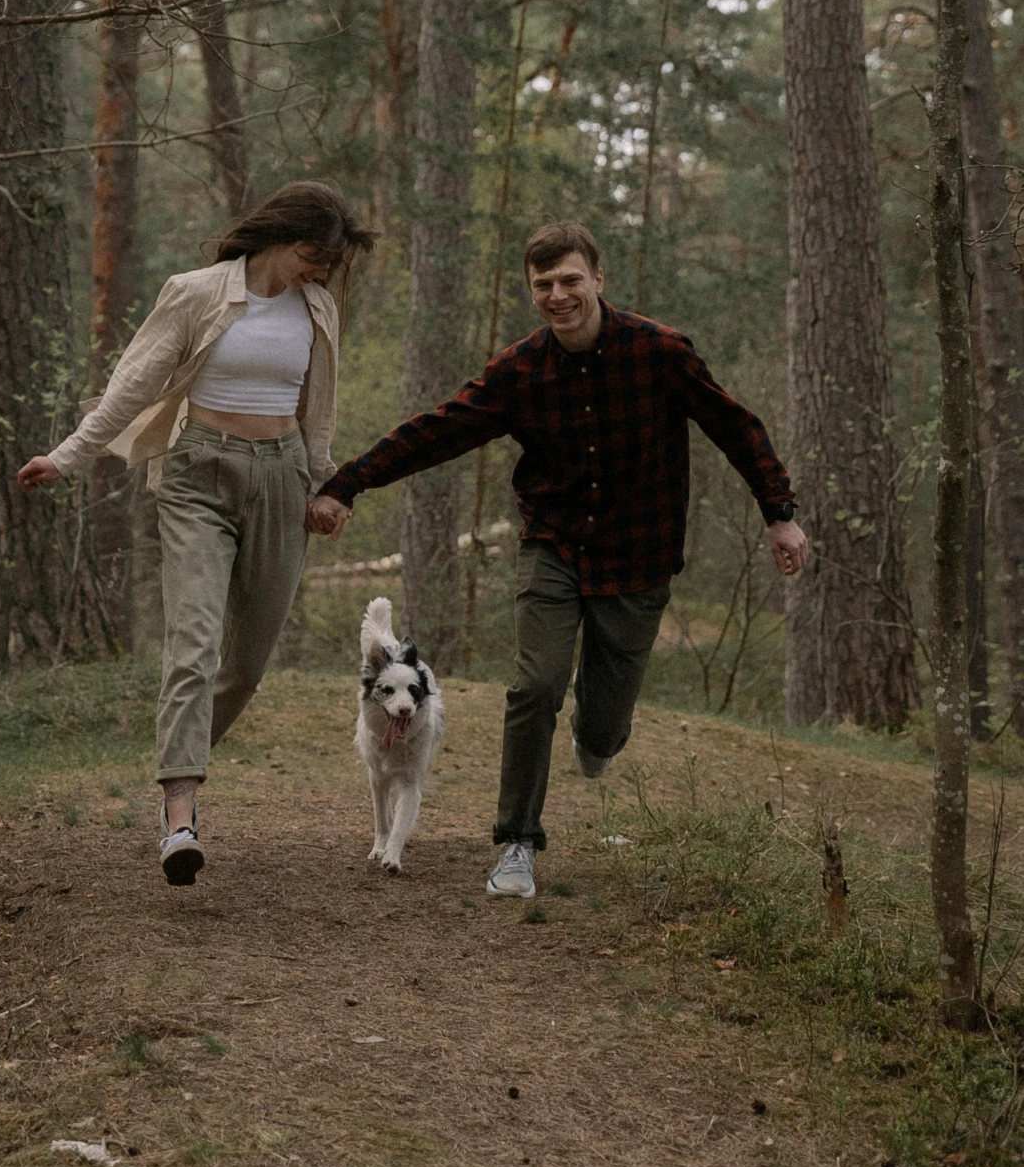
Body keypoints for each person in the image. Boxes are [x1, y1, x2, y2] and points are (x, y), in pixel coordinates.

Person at [308, 220, 807, 898]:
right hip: (553, 545)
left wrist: (777, 512)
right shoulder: (520, 370)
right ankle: (516, 844)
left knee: (603, 727)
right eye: (543, 284)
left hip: (639, 554)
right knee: (534, 685)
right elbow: (436, 431)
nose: (557, 295)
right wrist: (346, 484)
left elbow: (735, 427)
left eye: (570, 280)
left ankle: (593, 739)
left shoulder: (660, 352)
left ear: (597, 280)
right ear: (531, 291)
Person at [19, 181, 375, 885]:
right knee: (193, 641)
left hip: (279, 477)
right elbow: (133, 383)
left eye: (329, 264)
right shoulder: (196, 292)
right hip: (198, 475)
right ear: (282, 237)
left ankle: (174, 752)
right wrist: (66, 455)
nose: (320, 271)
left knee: (245, 662)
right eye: (315, 256)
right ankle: (179, 812)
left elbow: (318, 408)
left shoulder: (318, 308)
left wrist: (327, 486)